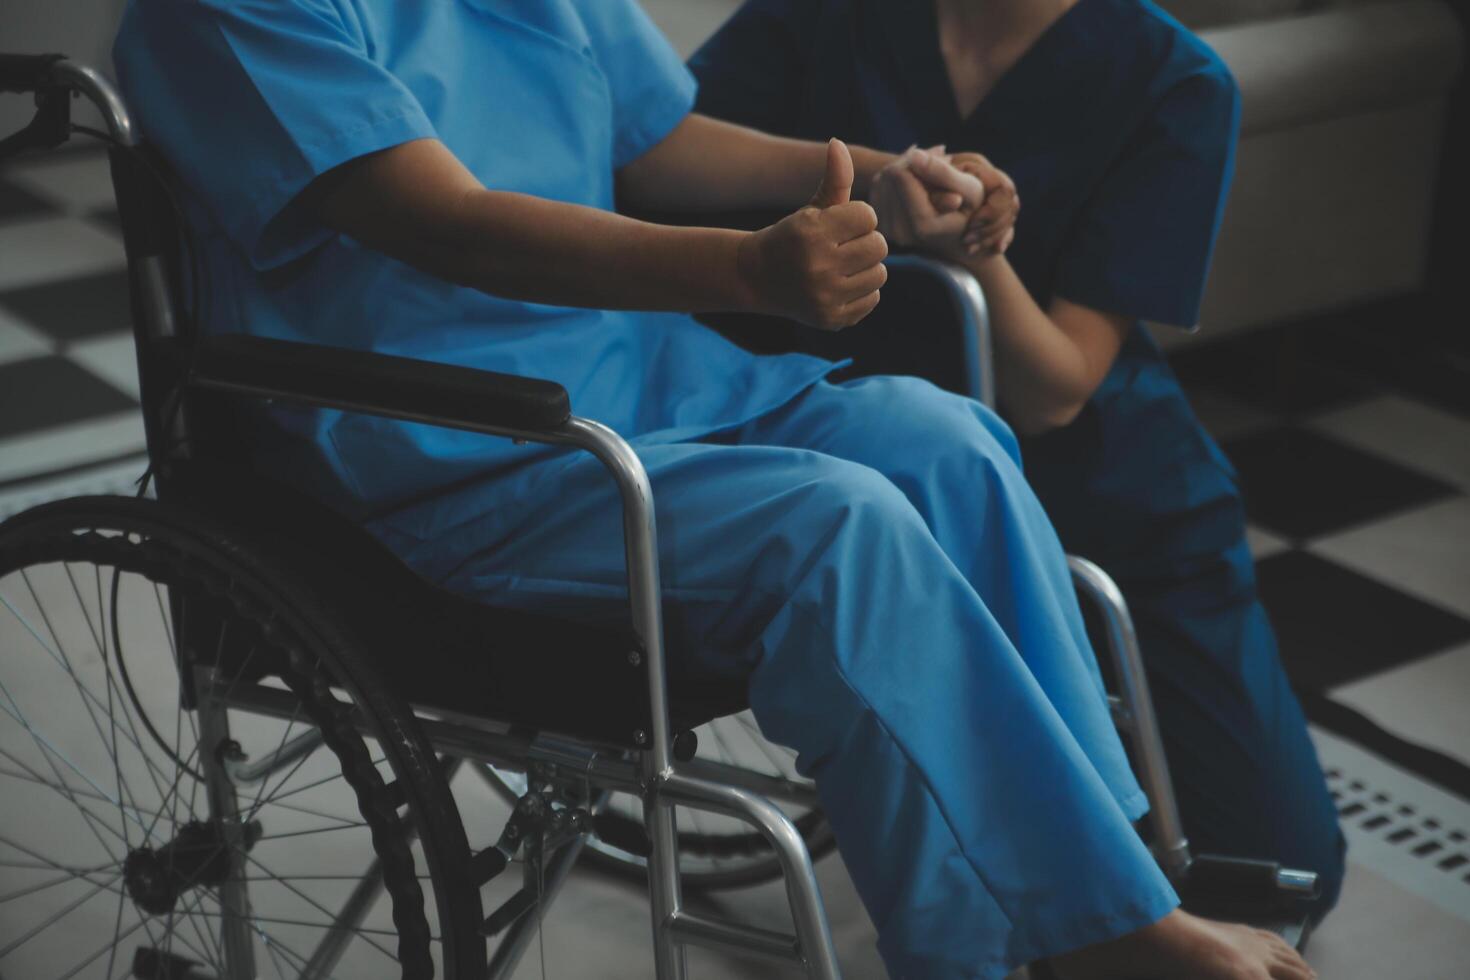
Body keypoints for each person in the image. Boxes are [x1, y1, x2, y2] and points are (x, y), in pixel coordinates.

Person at [113, 1, 1315, 977]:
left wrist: (878, 177)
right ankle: (1096, 928)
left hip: (635, 384)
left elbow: (659, 140)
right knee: (844, 533)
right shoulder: (225, 11)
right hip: (448, 445)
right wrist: (746, 268)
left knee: (942, 438)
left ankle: (1097, 896)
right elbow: (447, 223)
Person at [691, 0, 1346, 919]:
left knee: (1279, 871)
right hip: (867, 451)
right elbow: (655, 157)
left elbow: (1056, 390)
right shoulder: (823, 17)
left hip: (1105, 485)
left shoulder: (1174, 80)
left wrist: (973, 251)